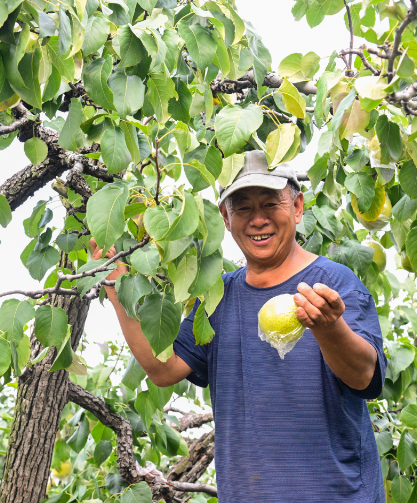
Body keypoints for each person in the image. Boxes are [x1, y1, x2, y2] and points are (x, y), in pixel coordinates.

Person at [90, 150, 388, 502]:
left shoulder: (333, 283)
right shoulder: (218, 296)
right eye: (243, 207)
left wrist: (328, 328)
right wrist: (115, 284)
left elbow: (364, 376)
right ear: (225, 218)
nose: (257, 219)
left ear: (296, 207)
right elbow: (162, 368)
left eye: (270, 204)